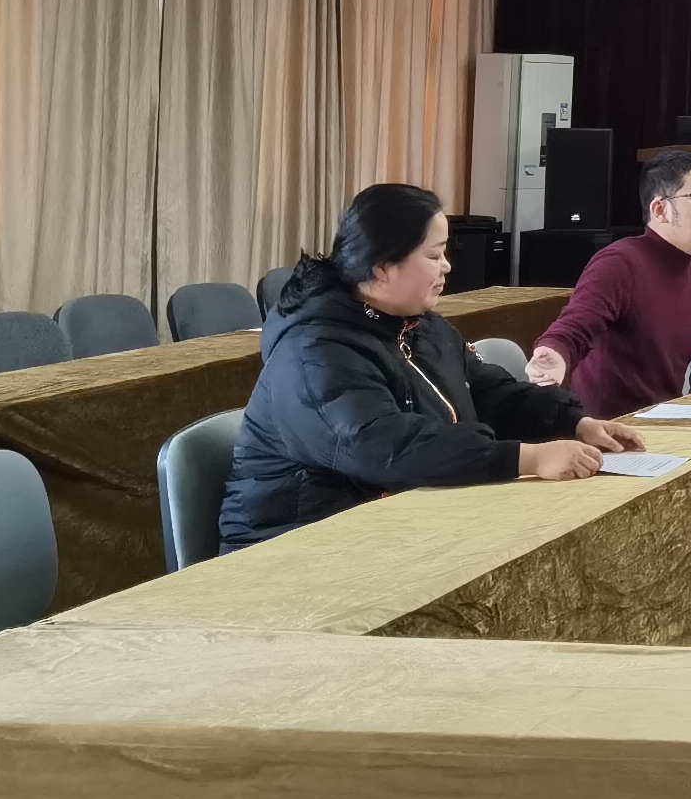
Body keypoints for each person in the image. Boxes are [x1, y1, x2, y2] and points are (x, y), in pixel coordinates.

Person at [221, 183, 634, 550]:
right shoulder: (313, 350)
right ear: (382, 267)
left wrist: (573, 423)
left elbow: (487, 392)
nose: (446, 266)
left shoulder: (419, 325)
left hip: (393, 518)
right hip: (299, 540)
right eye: (434, 255)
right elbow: (383, 448)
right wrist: (527, 459)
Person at [528, 153, 691, 416]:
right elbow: (575, 326)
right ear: (660, 209)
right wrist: (554, 354)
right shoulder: (619, 262)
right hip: (611, 425)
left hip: (663, 417)